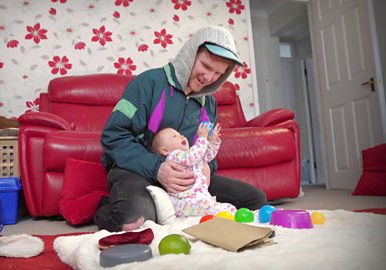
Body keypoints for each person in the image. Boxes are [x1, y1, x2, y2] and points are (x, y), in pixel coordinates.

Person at [95, 25, 267, 232]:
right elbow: (113, 135)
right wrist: (157, 168)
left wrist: (207, 169)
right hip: (138, 172)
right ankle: (104, 208)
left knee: (255, 199)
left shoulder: (209, 103)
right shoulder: (146, 83)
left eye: (218, 73)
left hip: (188, 183)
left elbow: (205, 148)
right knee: (135, 219)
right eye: (205, 66)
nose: (209, 78)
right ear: (190, 54)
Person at [151, 122, 237, 217]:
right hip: (185, 202)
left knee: (228, 208)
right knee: (216, 209)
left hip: (200, 198)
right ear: (165, 150)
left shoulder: (192, 154)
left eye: (180, 135)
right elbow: (193, 156)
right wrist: (202, 138)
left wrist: (213, 141)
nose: (181, 136)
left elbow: (208, 156)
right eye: (175, 136)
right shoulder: (174, 157)